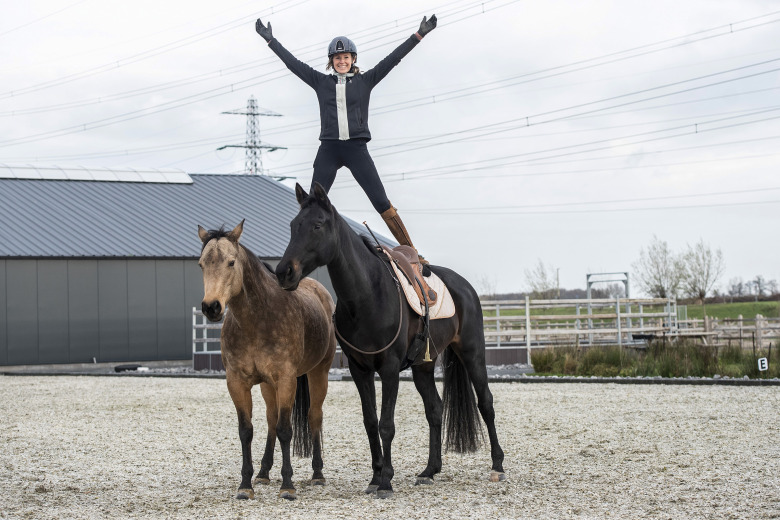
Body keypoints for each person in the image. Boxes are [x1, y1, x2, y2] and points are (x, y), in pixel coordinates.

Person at [255, 15, 437, 262]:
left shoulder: (366, 80)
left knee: (382, 201)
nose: (342, 61)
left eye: (346, 58)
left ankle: (413, 253)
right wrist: (271, 41)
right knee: (311, 205)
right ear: (332, 62)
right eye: (337, 58)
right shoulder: (320, 81)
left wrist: (419, 35)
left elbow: (393, 59)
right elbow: (293, 64)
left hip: (356, 149)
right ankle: (297, 259)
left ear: (353, 60)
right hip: (329, 150)